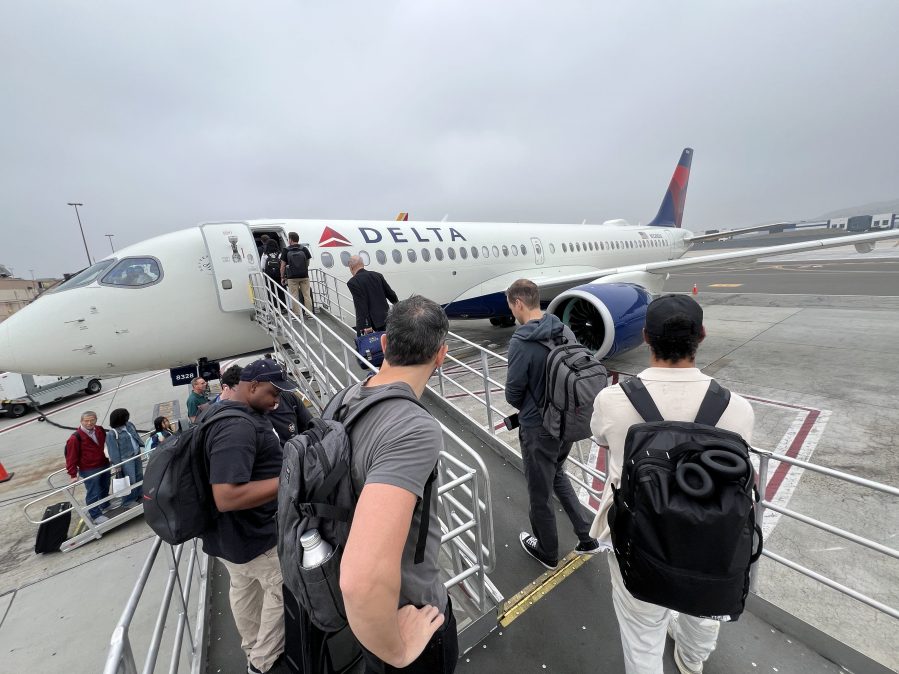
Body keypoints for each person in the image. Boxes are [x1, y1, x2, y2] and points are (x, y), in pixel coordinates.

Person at [589, 294, 755, 674]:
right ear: (702, 335)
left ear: (646, 337)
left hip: (639, 533)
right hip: (712, 533)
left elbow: (599, 438)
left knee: (641, 630)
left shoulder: (613, 400)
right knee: (704, 607)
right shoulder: (737, 407)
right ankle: (691, 659)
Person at [339, 296, 457, 672]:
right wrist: (398, 651)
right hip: (407, 615)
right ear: (441, 356)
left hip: (362, 621)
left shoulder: (346, 400)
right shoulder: (413, 428)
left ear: (385, 345)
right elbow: (362, 580)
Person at [201, 358, 294, 674]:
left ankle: (253, 651)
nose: (277, 402)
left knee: (244, 589)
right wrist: (290, 477)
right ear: (252, 387)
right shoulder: (238, 427)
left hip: (227, 539)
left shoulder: (219, 413)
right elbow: (226, 496)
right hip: (253, 535)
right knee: (284, 582)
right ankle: (264, 661)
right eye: (273, 394)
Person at [504, 278, 599, 569]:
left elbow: (513, 393)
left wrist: (532, 409)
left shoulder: (522, 342)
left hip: (538, 429)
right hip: (567, 422)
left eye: (511, 306)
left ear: (519, 303)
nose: (511, 312)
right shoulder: (564, 329)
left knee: (539, 492)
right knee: (558, 474)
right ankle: (587, 536)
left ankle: (547, 550)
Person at [65, 411, 111, 524]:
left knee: (105, 486)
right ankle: (95, 515)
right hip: (89, 469)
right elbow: (71, 457)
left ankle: (105, 504)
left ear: (96, 420)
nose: (89, 423)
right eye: (86, 421)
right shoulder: (75, 438)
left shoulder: (100, 430)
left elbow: (107, 444)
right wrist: (73, 474)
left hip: (104, 464)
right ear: (81, 421)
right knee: (93, 492)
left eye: (92, 420)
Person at [346, 255, 399, 335]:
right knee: (388, 342)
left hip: (372, 324)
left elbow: (361, 306)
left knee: (367, 345)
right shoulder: (377, 275)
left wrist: (366, 326)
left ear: (351, 267)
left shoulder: (353, 282)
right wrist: (398, 307)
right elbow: (391, 294)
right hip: (386, 319)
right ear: (363, 264)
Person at [105, 408, 144, 508]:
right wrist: (117, 465)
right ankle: (128, 501)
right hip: (126, 460)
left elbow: (135, 436)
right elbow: (113, 450)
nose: (128, 418)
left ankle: (140, 494)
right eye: (126, 416)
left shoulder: (129, 425)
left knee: (139, 476)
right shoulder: (112, 434)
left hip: (136, 455)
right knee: (130, 480)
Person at [280, 231, 312, 312]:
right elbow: (307, 262)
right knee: (307, 295)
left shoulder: (286, 250)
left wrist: (282, 277)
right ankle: (309, 314)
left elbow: (282, 266)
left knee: (294, 296)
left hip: (292, 277)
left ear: (290, 240)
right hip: (304, 276)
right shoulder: (304, 249)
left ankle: (297, 314)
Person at [260, 239, 287, 313]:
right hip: (278, 275)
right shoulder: (280, 254)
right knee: (281, 291)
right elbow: (283, 265)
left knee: (271, 292)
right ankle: (283, 308)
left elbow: (262, 266)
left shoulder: (265, 255)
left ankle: (274, 308)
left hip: (269, 277)